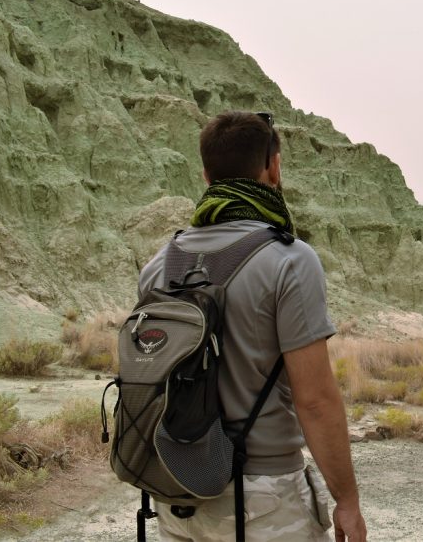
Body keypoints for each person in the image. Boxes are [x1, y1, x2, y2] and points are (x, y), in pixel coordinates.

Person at [137, 111, 367, 542]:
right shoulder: (289, 260)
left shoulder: (159, 265)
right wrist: (348, 502)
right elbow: (315, 400)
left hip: (175, 490)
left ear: (206, 175)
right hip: (264, 499)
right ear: (274, 167)